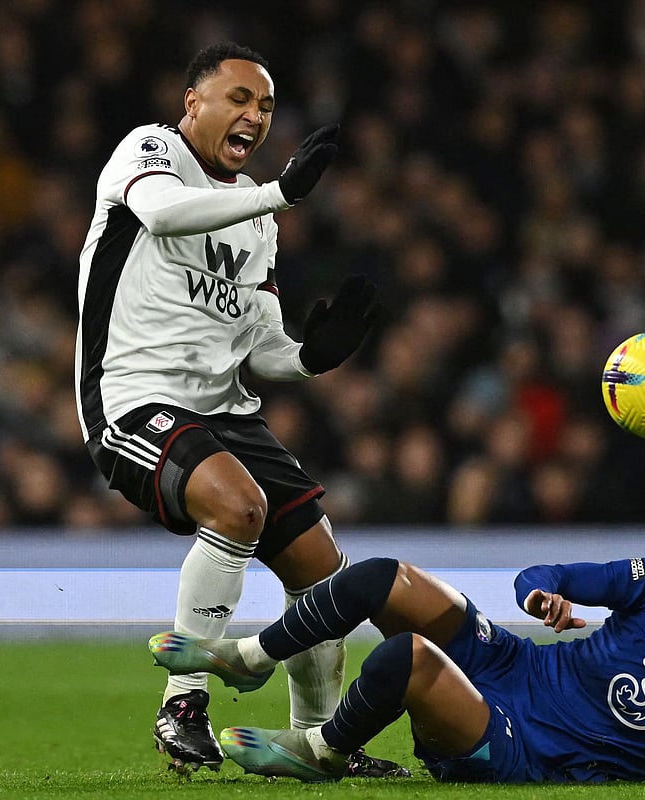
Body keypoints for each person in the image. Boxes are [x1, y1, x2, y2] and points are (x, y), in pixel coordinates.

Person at [74, 41, 405, 777]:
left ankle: (320, 744)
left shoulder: (257, 222)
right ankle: (183, 699)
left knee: (323, 568)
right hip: (133, 398)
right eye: (238, 98)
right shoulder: (149, 153)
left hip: (225, 414)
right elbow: (161, 216)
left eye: (266, 106)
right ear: (192, 102)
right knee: (239, 507)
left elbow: (262, 349)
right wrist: (281, 192)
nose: (254, 115)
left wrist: (313, 357)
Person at [148, 511, 645, 785]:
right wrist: (545, 595)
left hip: (524, 747)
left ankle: (325, 751)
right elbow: (547, 570)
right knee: (383, 579)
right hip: (517, 666)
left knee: (403, 662)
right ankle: (251, 659)